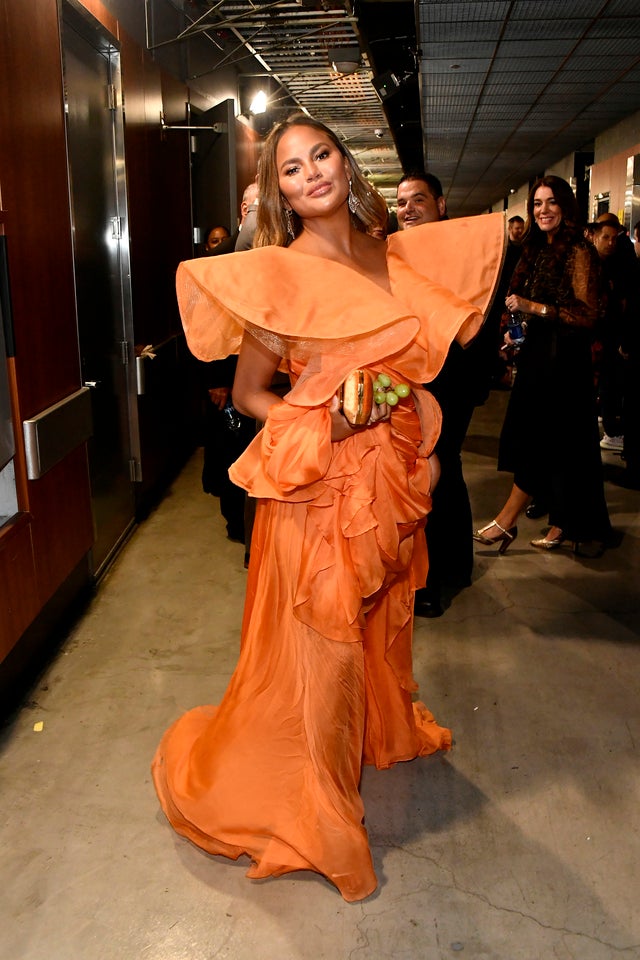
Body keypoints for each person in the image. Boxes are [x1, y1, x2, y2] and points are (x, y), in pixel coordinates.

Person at [152, 114, 505, 902]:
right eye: (290, 169)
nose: (311, 174)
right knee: (325, 647)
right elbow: (249, 393)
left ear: (346, 163)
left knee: (379, 623)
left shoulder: (392, 252)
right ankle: (316, 810)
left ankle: (364, 738)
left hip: (388, 480)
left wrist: (420, 434)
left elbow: (410, 368)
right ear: (277, 190)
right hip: (316, 489)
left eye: (321, 156)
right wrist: (329, 422)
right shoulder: (282, 270)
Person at [474, 175, 611, 556]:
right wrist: (515, 333)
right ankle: (561, 523)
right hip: (538, 353)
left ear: (565, 207)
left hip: (566, 360)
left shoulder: (579, 251)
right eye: (537, 203)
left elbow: (587, 315)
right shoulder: (534, 248)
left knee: (544, 440)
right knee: (555, 444)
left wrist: (535, 308)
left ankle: (507, 520)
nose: (543, 210)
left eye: (551, 202)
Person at [395, 171, 493, 617]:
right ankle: (452, 565)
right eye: (402, 202)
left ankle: (432, 580)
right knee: (435, 469)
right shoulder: (394, 253)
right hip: (407, 377)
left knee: (436, 466)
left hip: (452, 377)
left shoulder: (466, 250)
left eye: (419, 199)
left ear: (441, 204)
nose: (409, 209)